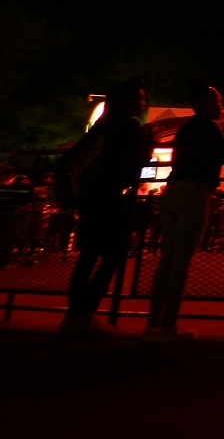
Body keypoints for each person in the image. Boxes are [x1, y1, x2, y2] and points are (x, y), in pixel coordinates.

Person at [142, 77, 224, 343]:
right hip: (196, 192)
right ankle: (169, 326)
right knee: (181, 263)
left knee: (166, 260)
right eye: (218, 101)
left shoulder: (186, 129)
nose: (221, 105)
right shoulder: (211, 126)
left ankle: (152, 325)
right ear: (208, 105)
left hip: (172, 190)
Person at [59, 78, 153, 339]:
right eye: (141, 99)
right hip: (109, 197)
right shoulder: (129, 128)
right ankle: (85, 314)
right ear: (132, 103)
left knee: (88, 256)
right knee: (115, 251)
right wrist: (147, 146)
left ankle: (74, 316)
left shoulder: (101, 126)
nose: (143, 104)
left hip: (87, 197)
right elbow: (130, 170)